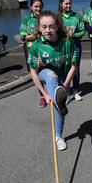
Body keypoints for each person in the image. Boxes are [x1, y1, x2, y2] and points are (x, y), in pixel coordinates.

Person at [27, 10, 77, 151]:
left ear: (57, 26)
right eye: (44, 27)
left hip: (63, 78)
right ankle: (58, 99)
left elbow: (74, 66)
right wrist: (44, 94)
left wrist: (65, 86)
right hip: (45, 74)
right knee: (51, 75)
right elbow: (33, 72)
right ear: (39, 27)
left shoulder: (67, 41)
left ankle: (58, 136)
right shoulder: (36, 46)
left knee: (58, 108)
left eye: (51, 26)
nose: (48, 30)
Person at [19, 0, 46, 107]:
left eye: (40, 6)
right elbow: (23, 37)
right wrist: (36, 36)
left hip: (46, 48)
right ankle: (43, 96)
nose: (38, 9)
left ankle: (54, 94)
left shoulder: (46, 17)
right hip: (34, 49)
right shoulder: (27, 19)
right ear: (31, 7)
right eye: (36, 6)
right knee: (37, 73)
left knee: (50, 71)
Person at [58, 0, 85, 102]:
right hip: (63, 48)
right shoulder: (58, 18)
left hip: (76, 46)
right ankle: (66, 91)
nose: (68, 5)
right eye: (66, 3)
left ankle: (75, 91)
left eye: (70, 3)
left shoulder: (77, 16)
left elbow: (82, 31)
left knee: (76, 69)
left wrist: (74, 35)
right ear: (61, 4)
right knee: (64, 69)